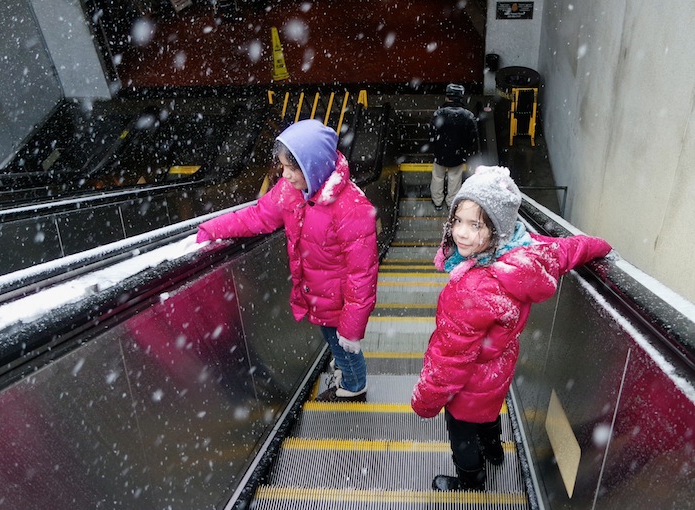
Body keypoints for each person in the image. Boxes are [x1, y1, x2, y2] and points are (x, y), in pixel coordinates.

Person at [411, 166, 612, 491]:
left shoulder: (470, 291)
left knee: (461, 431)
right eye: (458, 220)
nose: (461, 233)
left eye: (475, 224)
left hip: (469, 383)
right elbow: (565, 251)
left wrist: (426, 401)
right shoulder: (525, 252)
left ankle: (470, 480)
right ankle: (494, 451)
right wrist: (599, 245)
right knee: (488, 414)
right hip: (498, 369)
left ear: (497, 229)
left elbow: (449, 360)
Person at [196, 119, 379, 403]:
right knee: (333, 339)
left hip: (341, 301)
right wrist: (213, 228)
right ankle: (344, 364)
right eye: (284, 166)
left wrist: (352, 327)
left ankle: (354, 387)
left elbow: (362, 274)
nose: (286, 174)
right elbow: (257, 216)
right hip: (315, 294)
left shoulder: (351, 209)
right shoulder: (289, 191)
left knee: (344, 344)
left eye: (293, 168)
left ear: (314, 166)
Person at [429, 83, 479, 211]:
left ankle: (437, 201)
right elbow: (472, 137)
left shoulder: (438, 113)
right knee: (455, 179)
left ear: (447, 97)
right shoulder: (468, 116)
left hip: (440, 153)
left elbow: (431, 134)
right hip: (458, 154)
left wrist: (436, 146)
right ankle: (451, 202)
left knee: (437, 177)